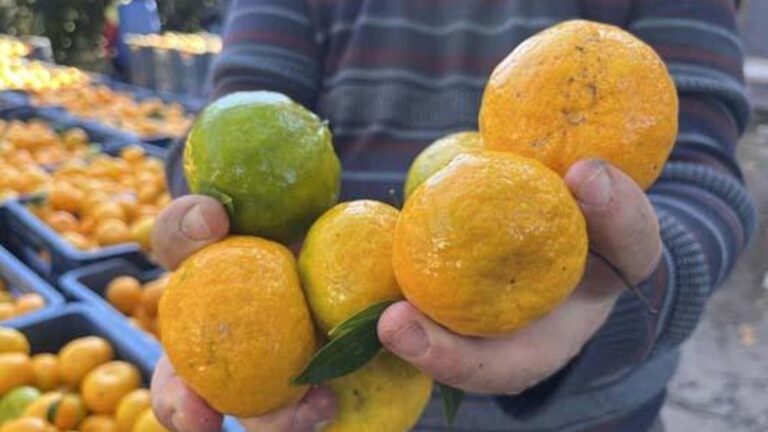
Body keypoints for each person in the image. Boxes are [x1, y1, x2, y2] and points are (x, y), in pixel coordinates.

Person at [150, 0, 756, 431]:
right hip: (340, 386)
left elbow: (706, 184)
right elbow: (236, 120)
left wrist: (620, 292)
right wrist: (223, 253)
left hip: (595, 410)